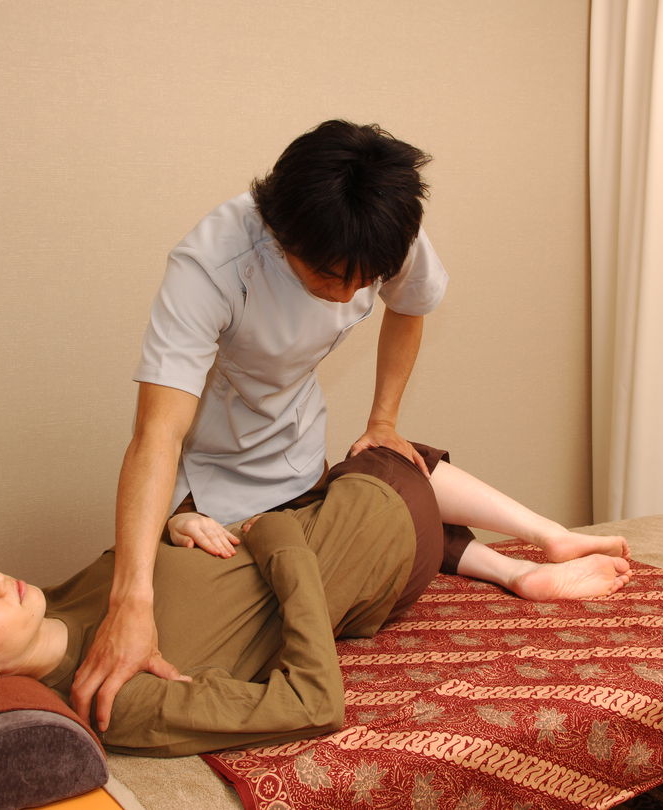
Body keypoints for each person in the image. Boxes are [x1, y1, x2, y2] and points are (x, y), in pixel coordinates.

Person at [0, 444, 631, 756]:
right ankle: (543, 544)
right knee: (390, 456)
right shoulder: (119, 700)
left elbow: (169, 570)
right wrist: (281, 544)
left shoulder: (59, 605)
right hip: (358, 543)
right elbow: (315, 703)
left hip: (323, 537)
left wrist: (180, 525)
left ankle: (513, 570)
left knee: (317, 465)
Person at [80, 120, 449, 729]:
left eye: (365, 281)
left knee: (368, 522)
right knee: (166, 625)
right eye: (329, 276)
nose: (347, 295)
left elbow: (412, 305)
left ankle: (492, 559)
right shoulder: (211, 266)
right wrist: (131, 599)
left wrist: (383, 420)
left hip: (297, 453)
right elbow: (157, 435)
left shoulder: (380, 228)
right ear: (280, 233)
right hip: (207, 467)